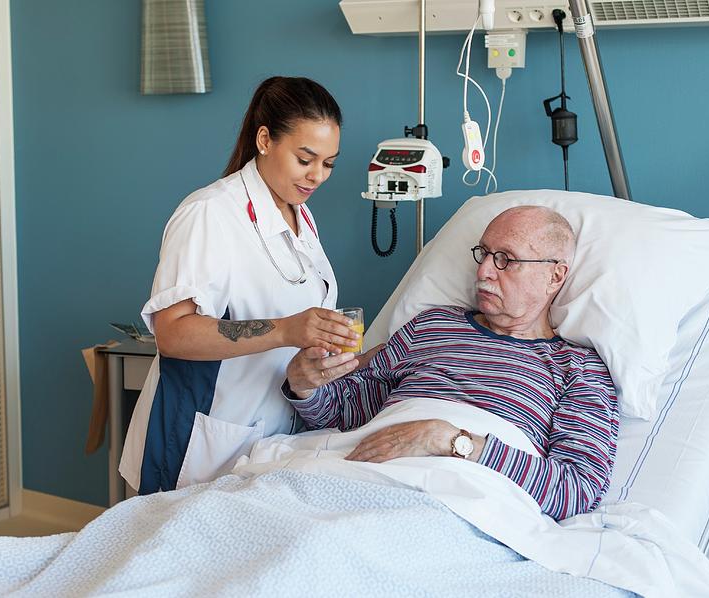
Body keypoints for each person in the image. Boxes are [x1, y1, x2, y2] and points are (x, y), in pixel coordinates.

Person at [283, 206, 619, 521]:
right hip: (363, 477)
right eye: (484, 254)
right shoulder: (432, 325)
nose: (484, 271)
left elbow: (575, 489)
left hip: (460, 503)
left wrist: (445, 439)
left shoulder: (578, 368)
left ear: (555, 276)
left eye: (505, 259)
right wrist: (304, 386)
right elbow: (347, 412)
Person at [120, 76, 360, 494]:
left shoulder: (299, 215)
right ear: (264, 139)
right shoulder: (209, 213)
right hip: (201, 444)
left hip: (272, 439)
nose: (317, 175)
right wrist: (287, 329)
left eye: (329, 163)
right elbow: (173, 332)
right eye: (305, 159)